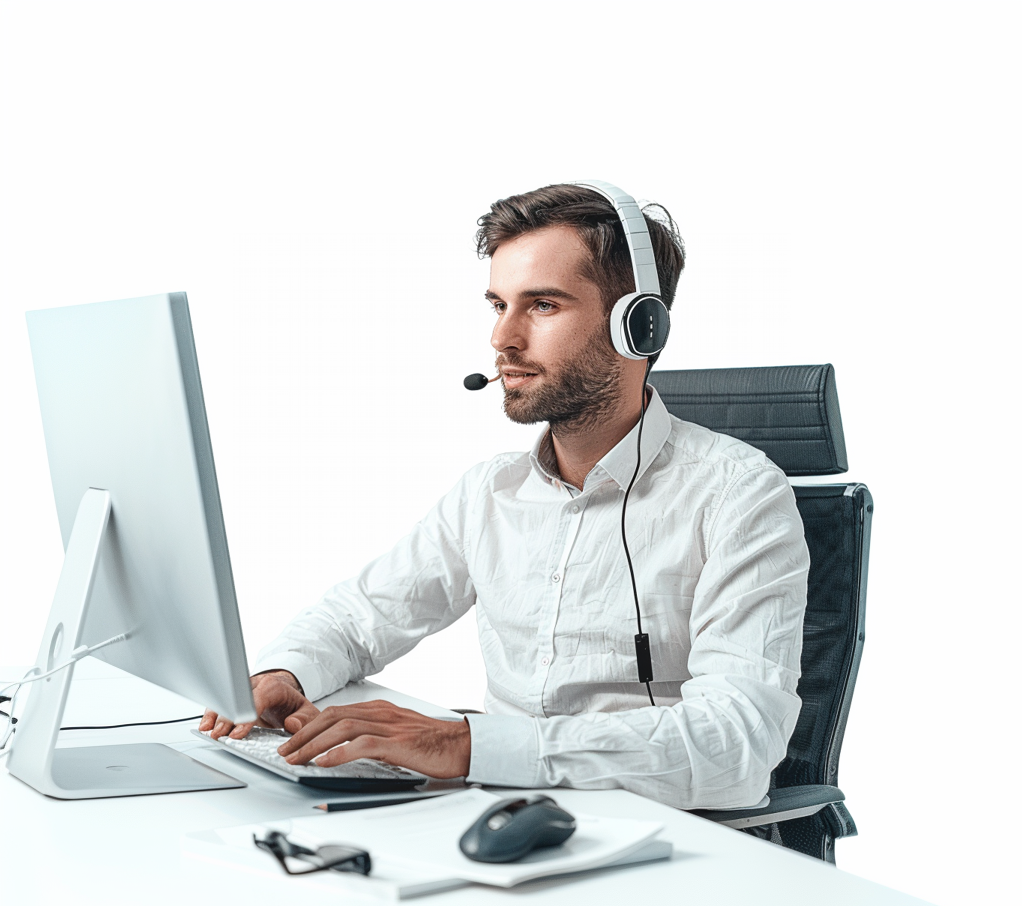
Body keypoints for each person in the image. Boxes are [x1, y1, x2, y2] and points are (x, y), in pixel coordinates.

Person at [199, 183, 810, 810]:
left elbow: (738, 742)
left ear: (638, 326)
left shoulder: (737, 494)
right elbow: (358, 619)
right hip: (502, 814)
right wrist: (283, 673)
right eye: (498, 305)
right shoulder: (490, 492)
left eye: (542, 305)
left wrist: (469, 746)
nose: (503, 339)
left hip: (661, 837)